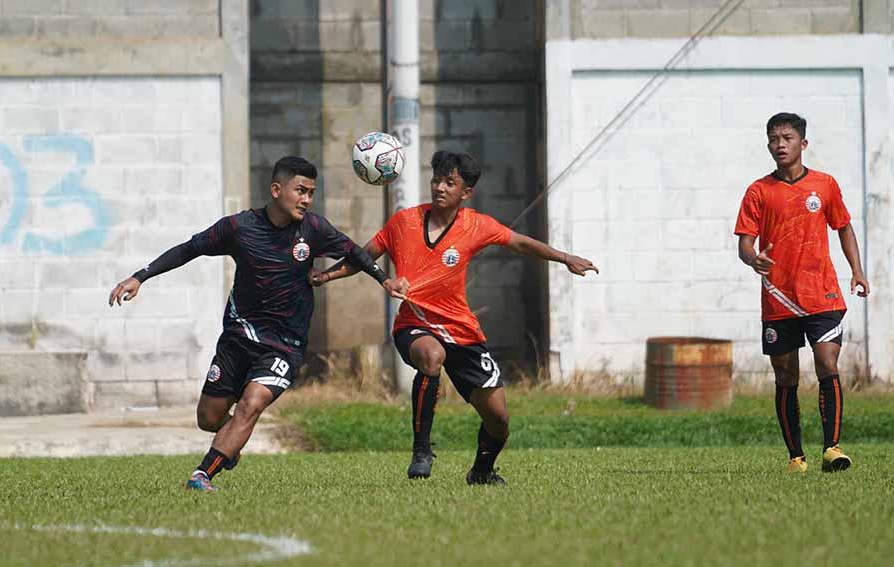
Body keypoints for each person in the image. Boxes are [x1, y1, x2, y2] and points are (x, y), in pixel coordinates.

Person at [107, 156, 407, 491]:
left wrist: (383, 280)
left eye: (311, 192)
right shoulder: (239, 228)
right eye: (301, 191)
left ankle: (202, 474)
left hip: (285, 344)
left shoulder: (314, 229)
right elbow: (189, 249)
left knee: (251, 404)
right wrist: (140, 277)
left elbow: (355, 253)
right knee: (208, 419)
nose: (307, 199)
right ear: (277, 190)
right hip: (238, 337)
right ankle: (229, 447)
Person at [314, 150, 597, 485]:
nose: (440, 187)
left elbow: (519, 243)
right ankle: (421, 451)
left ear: (466, 193)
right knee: (432, 357)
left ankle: (482, 471)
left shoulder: (477, 225)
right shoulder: (403, 222)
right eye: (436, 180)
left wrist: (565, 258)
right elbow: (363, 256)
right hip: (414, 324)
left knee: (499, 419)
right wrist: (326, 276)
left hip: (461, 330)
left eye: (450, 182)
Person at [734, 113, 869, 474]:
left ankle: (832, 448)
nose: (780, 144)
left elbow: (843, 228)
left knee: (827, 363)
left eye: (787, 138)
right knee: (786, 377)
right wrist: (753, 260)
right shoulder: (758, 191)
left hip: (822, 295)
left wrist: (856, 271)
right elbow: (745, 245)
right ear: (768, 145)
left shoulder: (824, 185)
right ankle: (796, 457)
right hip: (779, 299)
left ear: (803, 144)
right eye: (774, 139)